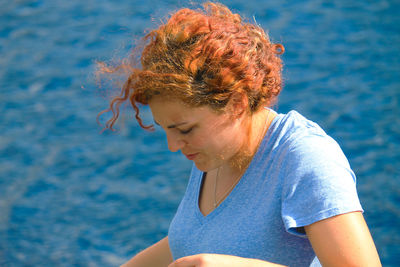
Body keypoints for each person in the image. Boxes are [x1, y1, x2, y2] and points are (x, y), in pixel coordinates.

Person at [98, 2, 381, 266]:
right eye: (166, 130)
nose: (173, 146)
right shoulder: (216, 150)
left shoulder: (306, 158)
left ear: (236, 104)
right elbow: (194, 238)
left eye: (184, 129)